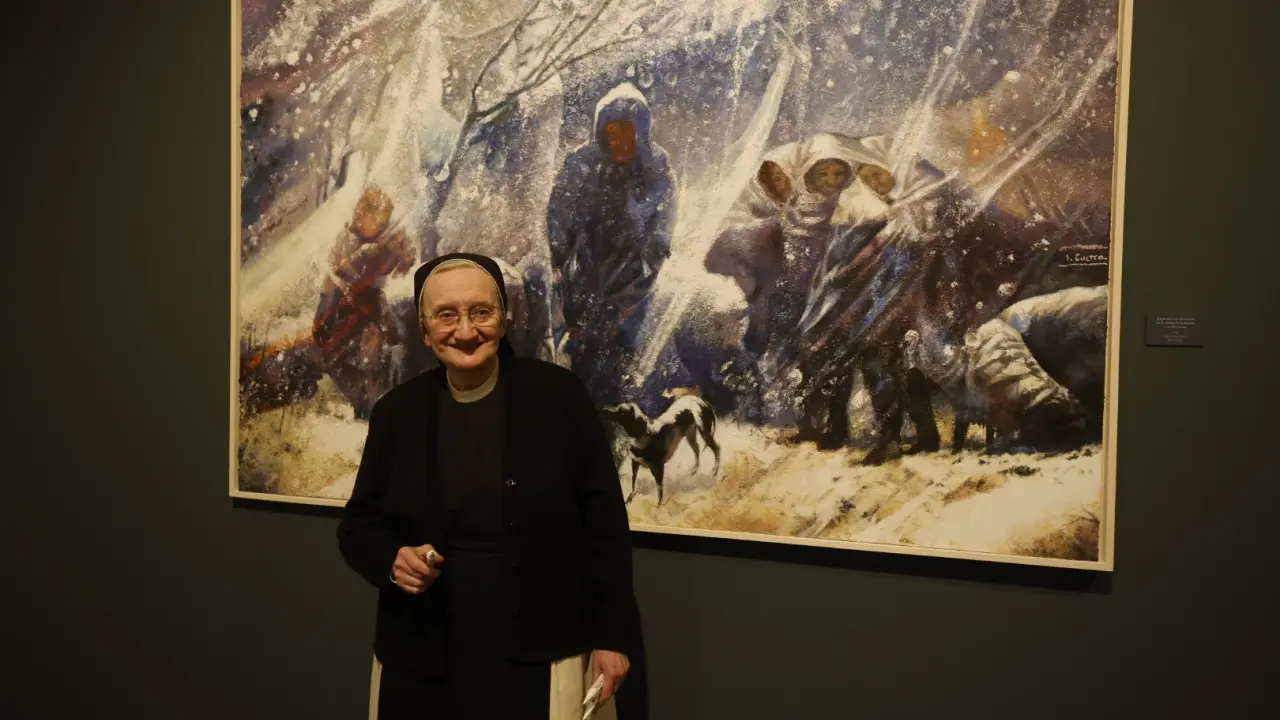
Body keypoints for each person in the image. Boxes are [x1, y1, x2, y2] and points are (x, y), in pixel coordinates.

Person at [336, 252, 642, 720]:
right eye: (446, 315)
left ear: (504, 318)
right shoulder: (397, 412)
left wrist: (611, 636)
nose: (465, 331)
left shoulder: (560, 398)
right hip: (421, 651)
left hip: (536, 646)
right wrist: (392, 561)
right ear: (424, 330)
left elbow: (605, 528)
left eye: (481, 312)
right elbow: (357, 527)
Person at [546, 81, 675, 408]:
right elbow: (558, 222)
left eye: (627, 131)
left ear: (641, 132)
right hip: (583, 276)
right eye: (611, 131)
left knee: (620, 365)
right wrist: (561, 273)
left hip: (633, 283)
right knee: (575, 359)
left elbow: (659, 239)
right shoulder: (580, 164)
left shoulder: (657, 167)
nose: (618, 140)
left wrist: (628, 299)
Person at [311, 186, 416, 419]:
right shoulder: (348, 240)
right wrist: (376, 254)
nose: (381, 225)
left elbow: (403, 257)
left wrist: (403, 254)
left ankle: (375, 396)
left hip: (366, 300)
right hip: (342, 301)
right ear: (360, 212)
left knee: (389, 338)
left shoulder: (382, 237)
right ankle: (365, 400)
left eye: (384, 221)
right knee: (345, 350)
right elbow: (345, 272)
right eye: (377, 219)